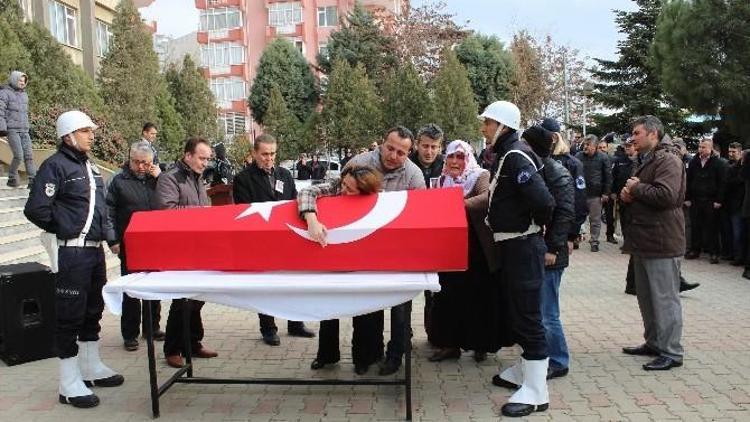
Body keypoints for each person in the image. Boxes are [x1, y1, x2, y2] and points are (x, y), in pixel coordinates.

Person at [25, 110, 123, 408]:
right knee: (69, 315)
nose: (91, 135)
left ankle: (91, 368)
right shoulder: (54, 166)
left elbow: (102, 210)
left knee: (92, 310)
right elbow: (36, 209)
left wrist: (111, 240)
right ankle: (68, 382)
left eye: (91, 130)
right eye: (84, 131)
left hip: (93, 252)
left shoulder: (91, 167)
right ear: (68, 135)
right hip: (72, 252)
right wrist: (64, 227)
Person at [481, 101, 555, 417]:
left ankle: (537, 391)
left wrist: (530, 228)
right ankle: (526, 371)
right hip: (513, 247)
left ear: (503, 126)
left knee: (528, 317)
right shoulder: (508, 155)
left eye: (487, 123)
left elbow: (544, 202)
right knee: (517, 312)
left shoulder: (515, 157)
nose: (483, 128)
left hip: (523, 246)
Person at [344, 126, 426, 376]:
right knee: (365, 305)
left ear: (408, 153)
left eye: (401, 152)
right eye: (390, 148)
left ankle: (394, 357)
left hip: (399, 252)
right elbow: (340, 194)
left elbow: (420, 217)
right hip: (363, 247)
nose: (393, 155)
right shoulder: (358, 163)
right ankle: (365, 356)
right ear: (382, 143)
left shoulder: (414, 175)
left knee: (400, 310)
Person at [297, 165, 385, 374]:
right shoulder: (337, 185)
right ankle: (327, 356)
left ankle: (363, 359)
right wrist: (311, 218)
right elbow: (306, 192)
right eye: (344, 184)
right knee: (329, 309)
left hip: (362, 261)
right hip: (333, 257)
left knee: (364, 311)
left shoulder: (378, 198)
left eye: (350, 189)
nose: (343, 190)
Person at [232, 134, 315, 345]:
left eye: (273, 154)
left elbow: (294, 202)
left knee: (293, 284)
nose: (269, 158)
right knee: (265, 286)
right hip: (260, 241)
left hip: (286, 238)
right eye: (265, 154)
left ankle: (296, 323)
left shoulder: (285, 175)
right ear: (254, 153)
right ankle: (268, 328)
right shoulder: (243, 179)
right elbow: (243, 210)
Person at [620, 115, 686, 371]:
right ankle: (655, 342)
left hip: (662, 240)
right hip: (645, 240)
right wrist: (628, 194)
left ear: (653, 134)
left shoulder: (667, 159)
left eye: (637, 133)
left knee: (665, 299)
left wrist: (636, 189)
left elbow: (667, 195)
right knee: (647, 298)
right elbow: (645, 191)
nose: (632, 138)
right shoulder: (648, 158)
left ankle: (671, 351)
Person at [156, 137, 219, 368]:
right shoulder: (169, 178)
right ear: (188, 155)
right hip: (179, 249)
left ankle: (193, 342)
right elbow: (167, 211)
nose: (205, 163)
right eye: (201, 158)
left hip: (199, 247)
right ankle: (172, 348)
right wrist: (201, 212)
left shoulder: (198, 179)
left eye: (207, 158)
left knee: (197, 297)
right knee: (182, 299)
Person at [523, 125, 576, 381]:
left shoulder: (556, 173)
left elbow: (564, 213)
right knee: (539, 309)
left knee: (548, 311)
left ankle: (558, 359)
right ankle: (542, 356)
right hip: (538, 249)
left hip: (550, 253)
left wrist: (554, 248)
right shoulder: (536, 169)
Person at [106, 141, 165, 351]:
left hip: (155, 243)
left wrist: (160, 176)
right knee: (131, 290)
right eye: (137, 162)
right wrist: (112, 240)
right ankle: (129, 333)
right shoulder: (118, 181)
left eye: (145, 163)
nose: (141, 167)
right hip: (129, 243)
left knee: (154, 288)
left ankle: (152, 328)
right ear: (129, 160)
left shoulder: (157, 179)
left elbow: (172, 195)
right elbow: (108, 211)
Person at [684, 138, 727, 264]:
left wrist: (719, 200)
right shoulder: (693, 162)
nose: (701, 149)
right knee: (695, 226)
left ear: (711, 148)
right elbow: (688, 180)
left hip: (711, 200)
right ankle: (694, 250)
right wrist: (687, 198)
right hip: (696, 200)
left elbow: (722, 183)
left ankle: (714, 253)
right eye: (700, 147)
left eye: (704, 147)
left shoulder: (718, 163)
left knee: (712, 227)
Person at [575, 135, 612, 252]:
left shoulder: (603, 158)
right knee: (577, 218)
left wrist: (606, 193)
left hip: (596, 194)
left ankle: (594, 241)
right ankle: (575, 239)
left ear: (595, 146)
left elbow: (608, 176)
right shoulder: (578, 156)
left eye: (588, 145)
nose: (585, 147)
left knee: (595, 220)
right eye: (584, 144)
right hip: (580, 194)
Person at [0, 70, 36, 188]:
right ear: (14, 80)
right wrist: (2, 129)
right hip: (12, 130)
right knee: (19, 156)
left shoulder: (24, 95)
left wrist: (28, 126)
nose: (22, 83)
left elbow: (25, 113)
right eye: (20, 80)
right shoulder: (5, 93)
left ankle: (33, 181)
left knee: (29, 156)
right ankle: (12, 177)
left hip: (24, 130)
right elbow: (1, 111)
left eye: (24, 81)